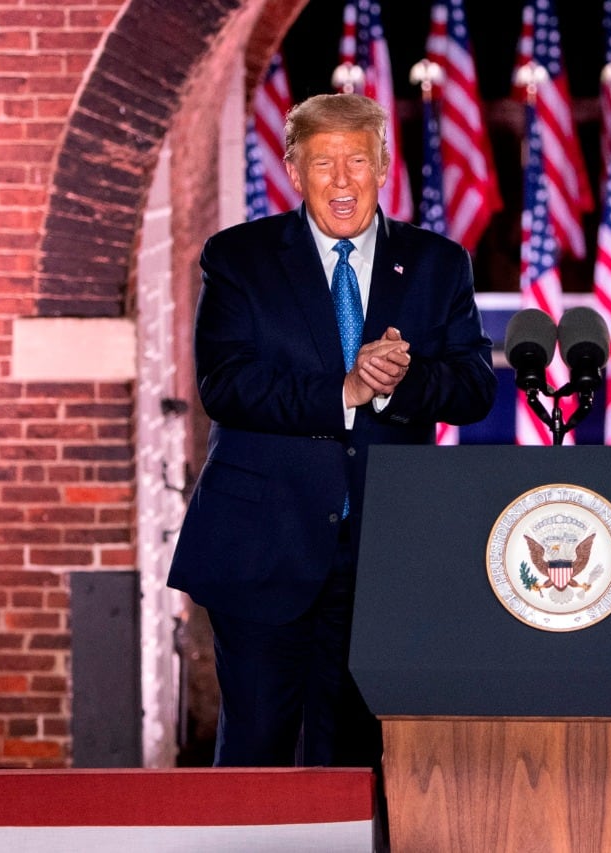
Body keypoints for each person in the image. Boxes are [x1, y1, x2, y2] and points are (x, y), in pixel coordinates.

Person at [168, 93, 497, 769]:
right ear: (293, 168)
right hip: (263, 543)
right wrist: (343, 390)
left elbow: (473, 389)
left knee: (356, 753)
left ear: (383, 166)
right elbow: (224, 384)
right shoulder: (239, 257)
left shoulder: (437, 262)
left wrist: (402, 380)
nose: (342, 179)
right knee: (257, 743)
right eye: (323, 162)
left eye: (358, 159)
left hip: (386, 550)